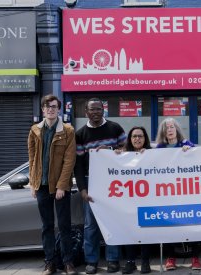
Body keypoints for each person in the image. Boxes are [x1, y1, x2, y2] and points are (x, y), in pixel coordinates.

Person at [74, 98, 127, 274]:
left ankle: (113, 260)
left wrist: (110, 152)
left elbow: (128, 153)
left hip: (113, 181)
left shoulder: (115, 128)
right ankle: (92, 261)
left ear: (103, 110)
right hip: (91, 181)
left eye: (99, 109)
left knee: (112, 221)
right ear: (86, 113)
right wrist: (82, 188)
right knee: (91, 225)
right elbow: (78, 165)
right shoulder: (80, 134)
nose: (96, 112)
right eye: (92, 110)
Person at [28, 95, 78, 275]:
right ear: (42, 109)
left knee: (64, 226)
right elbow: (32, 158)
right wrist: (33, 183)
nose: (50, 109)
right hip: (41, 186)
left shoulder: (68, 131)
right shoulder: (35, 130)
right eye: (47, 106)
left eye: (54, 106)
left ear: (59, 109)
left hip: (59, 187)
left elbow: (69, 160)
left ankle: (68, 263)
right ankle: (50, 262)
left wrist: (62, 186)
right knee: (47, 226)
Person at [155, 118, 201, 271]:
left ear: (176, 129)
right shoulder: (159, 148)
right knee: (170, 225)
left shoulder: (186, 144)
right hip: (168, 193)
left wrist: (191, 152)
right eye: (166, 127)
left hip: (187, 192)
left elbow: (200, 160)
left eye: (172, 127)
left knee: (192, 225)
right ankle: (170, 258)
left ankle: (195, 258)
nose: (169, 129)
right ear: (163, 131)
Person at [114, 126, 153, 274]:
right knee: (129, 230)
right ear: (129, 139)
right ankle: (130, 262)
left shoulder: (151, 152)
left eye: (140, 136)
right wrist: (115, 156)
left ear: (145, 139)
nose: (137, 139)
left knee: (145, 232)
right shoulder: (123, 154)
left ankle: (145, 261)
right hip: (128, 200)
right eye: (134, 136)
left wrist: (148, 155)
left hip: (147, 199)